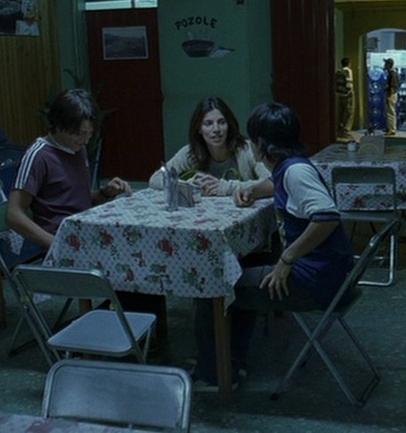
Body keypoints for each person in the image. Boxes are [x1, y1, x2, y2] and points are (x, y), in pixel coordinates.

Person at [190, 102, 353, 390]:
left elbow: (327, 217)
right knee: (237, 273)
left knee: (209, 286)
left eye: (253, 139)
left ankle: (213, 374)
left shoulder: (295, 172)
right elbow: (275, 186)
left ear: (261, 144)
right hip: (327, 273)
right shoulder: (288, 167)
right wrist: (250, 189)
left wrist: (287, 259)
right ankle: (232, 364)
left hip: (315, 281)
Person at [6, 88, 131, 249]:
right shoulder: (39, 156)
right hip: (62, 240)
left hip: (85, 231)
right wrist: (56, 244)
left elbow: (75, 198)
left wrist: (105, 193)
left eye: (90, 134)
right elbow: (13, 215)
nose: (85, 140)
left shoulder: (77, 148)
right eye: (79, 134)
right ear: (58, 126)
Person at [148, 97, 270, 196]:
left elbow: (271, 183)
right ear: (199, 129)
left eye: (221, 122)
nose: (216, 129)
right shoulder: (191, 152)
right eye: (208, 124)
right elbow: (156, 179)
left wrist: (226, 187)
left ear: (229, 125)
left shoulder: (246, 149)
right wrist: (189, 185)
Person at [336, 57, 354, 137]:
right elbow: (349, 82)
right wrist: (350, 92)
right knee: (349, 112)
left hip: (340, 94)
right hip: (347, 94)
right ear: (349, 63)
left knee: (341, 112)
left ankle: (340, 128)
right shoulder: (348, 71)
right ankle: (345, 130)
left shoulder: (339, 71)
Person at [384, 58, 400, 136]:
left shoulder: (392, 73)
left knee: (390, 112)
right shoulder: (392, 73)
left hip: (391, 95)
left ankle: (392, 129)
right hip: (391, 94)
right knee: (390, 112)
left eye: (386, 64)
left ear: (389, 65)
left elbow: (393, 86)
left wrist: (388, 96)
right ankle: (390, 128)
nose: (384, 65)